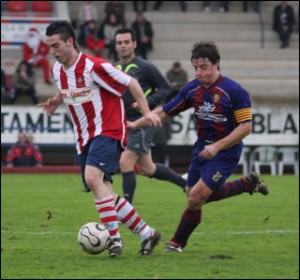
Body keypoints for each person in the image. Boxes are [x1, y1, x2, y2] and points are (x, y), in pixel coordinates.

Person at [128, 41, 269, 253]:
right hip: (201, 148)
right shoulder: (192, 88)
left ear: (216, 64)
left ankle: (176, 243)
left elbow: (246, 127)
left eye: (203, 67)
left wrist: (218, 147)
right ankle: (247, 184)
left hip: (226, 152)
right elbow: (165, 111)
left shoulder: (234, 91)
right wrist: (135, 124)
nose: (198, 72)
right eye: (195, 67)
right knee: (192, 194)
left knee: (196, 197)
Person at [37, 21, 162, 257]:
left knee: (92, 177)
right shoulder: (57, 70)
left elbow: (131, 83)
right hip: (84, 137)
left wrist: (148, 114)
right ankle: (147, 233)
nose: (52, 51)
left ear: (70, 42)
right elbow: (66, 87)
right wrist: (56, 100)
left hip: (108, 130)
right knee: (102, 189)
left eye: (56, 46)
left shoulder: (94, 66)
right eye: (49, 47)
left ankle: (114, 239)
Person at [114, 28, 187, 204]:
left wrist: (146, 103)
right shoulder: (113, 68)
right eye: (119, 43)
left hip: (143, 123)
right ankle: (185, 184)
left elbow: (166, 87)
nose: (123, 46)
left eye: (126, 42)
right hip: (124, 123)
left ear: (134, 44)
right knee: (147, 168)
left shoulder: (145, 67)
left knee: (125, 163)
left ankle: (127, 210)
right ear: (116, 46)